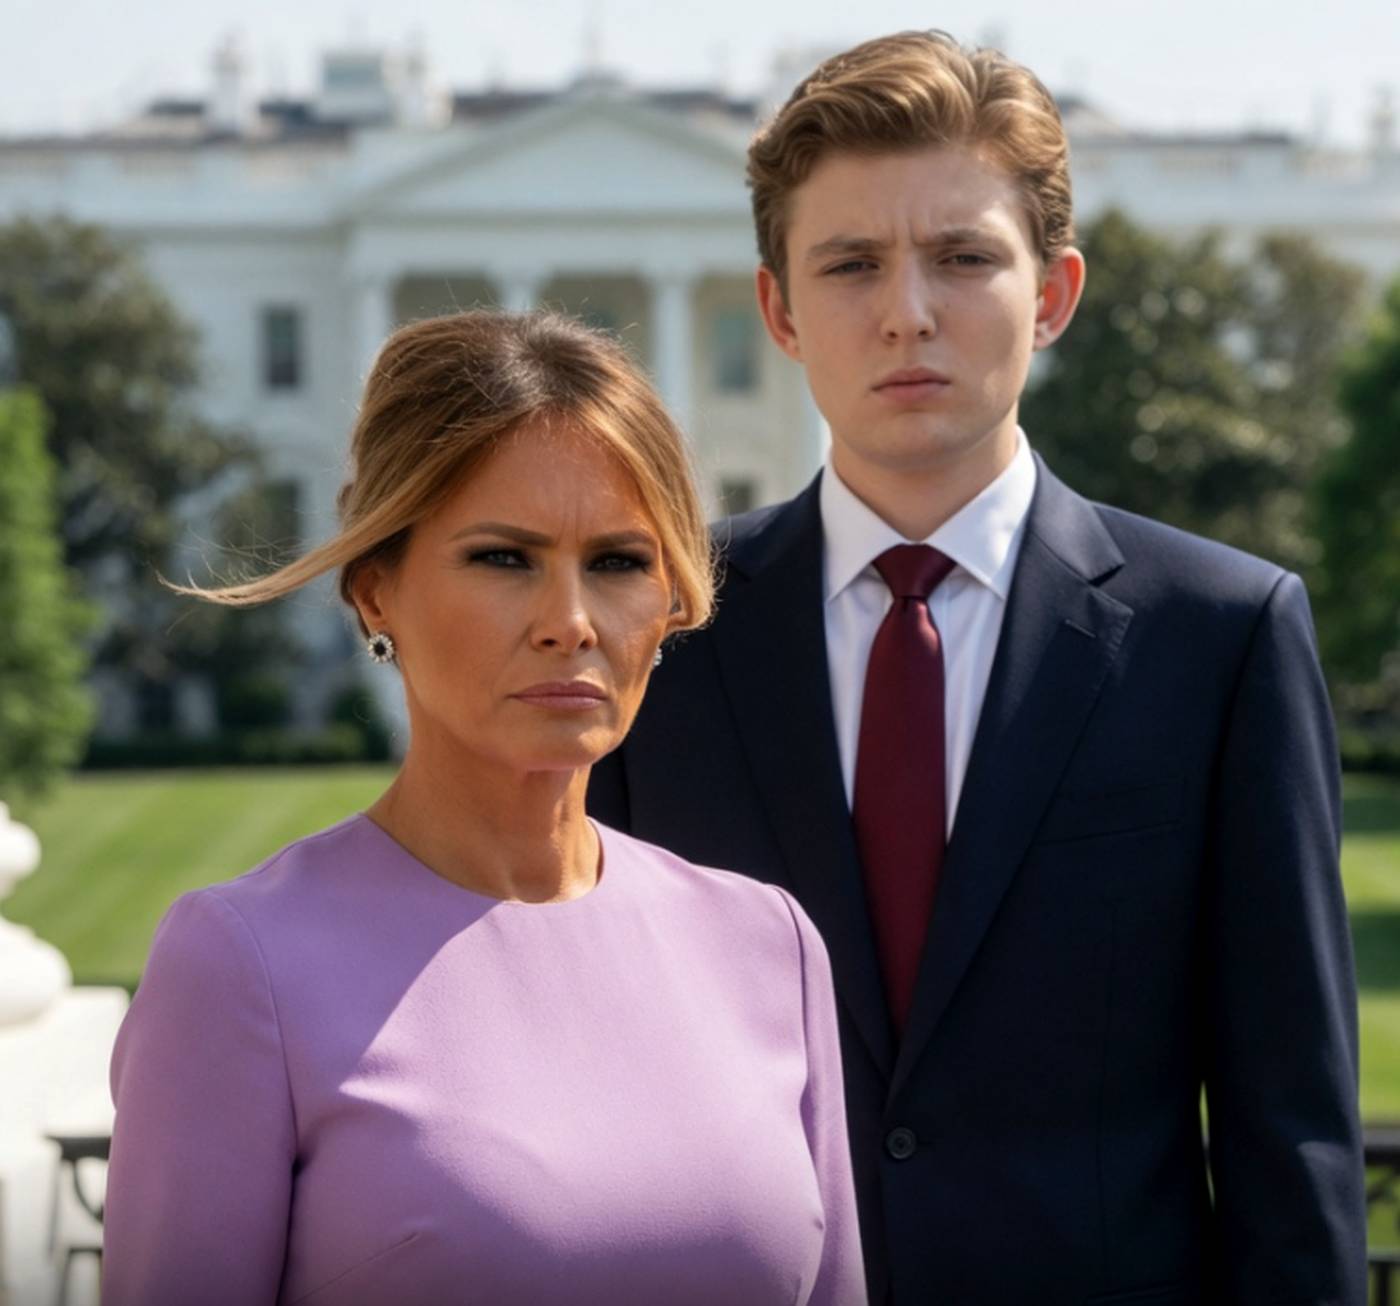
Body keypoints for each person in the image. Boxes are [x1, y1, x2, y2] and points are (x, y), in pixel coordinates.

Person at [588, 30, 1366, 1305]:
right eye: (850, 264)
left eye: (961, 257)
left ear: (1051, 294)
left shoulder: (1219, 635)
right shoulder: (659, 629)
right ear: (778, 309)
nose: (907, 310)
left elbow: (1292, 1134)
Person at [103, 310, 866, 1306]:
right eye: (504, 558)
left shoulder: (768, 944)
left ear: (671, 599)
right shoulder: (241, 965)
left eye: (619, 562)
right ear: (376, 591)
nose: (569, 623)